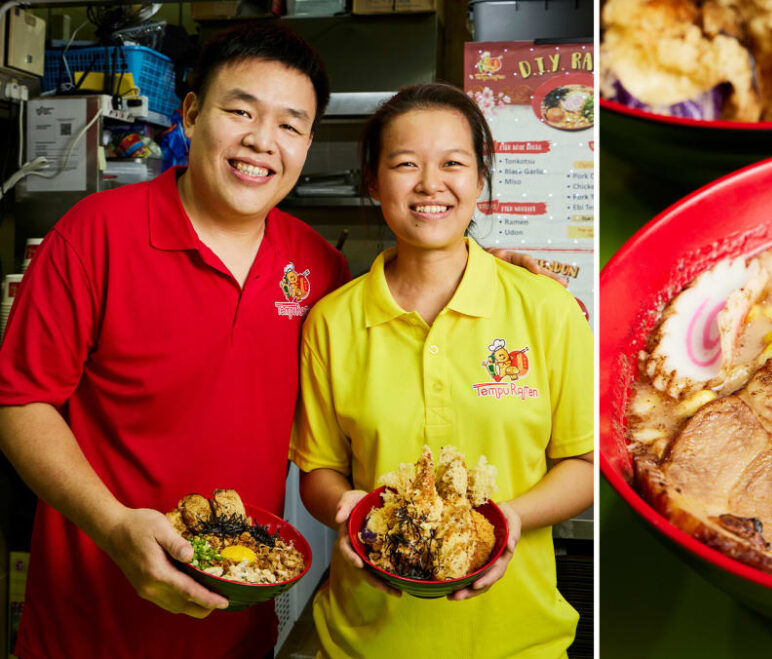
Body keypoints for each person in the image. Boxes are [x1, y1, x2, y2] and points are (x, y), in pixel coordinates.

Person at [0, 24, 551, 659]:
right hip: (90, 618)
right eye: (240, 112)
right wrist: (113, 525)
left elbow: (402, 310)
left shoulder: (318, 269)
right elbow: (20, 404)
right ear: (191, 113)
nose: (262, 142)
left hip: (238, 617)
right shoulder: (95, 235)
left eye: (291, 125)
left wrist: (477, 266)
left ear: (309, 142)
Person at [292, 83, 594, 658]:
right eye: (405, 164)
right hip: (364, 639)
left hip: (520, 639)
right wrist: (352, 509)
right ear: (374, 182)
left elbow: (580, 464)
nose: (430, 184)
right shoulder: (331, 322)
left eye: (453, 163)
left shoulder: (547, 308)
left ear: (480, 180)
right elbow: (319, 471)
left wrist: (510, 519)